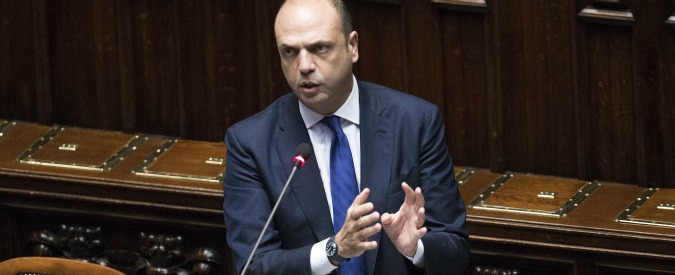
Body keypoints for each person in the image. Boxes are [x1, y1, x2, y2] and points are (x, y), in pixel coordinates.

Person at [222, 0, 469, 274]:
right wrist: (333, 250)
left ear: (352, 46)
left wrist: (416, 248)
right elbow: (253, 266)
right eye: (290, 51)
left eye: (320, 48)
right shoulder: (250, 143)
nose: (304, 65)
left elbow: (455, 250)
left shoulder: (414, 122)